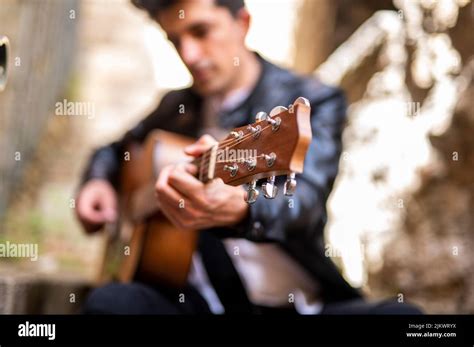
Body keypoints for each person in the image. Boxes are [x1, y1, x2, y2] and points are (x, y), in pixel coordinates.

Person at [76, 0, 421, 315]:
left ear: (243, 22)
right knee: (111, 303)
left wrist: (244, 209)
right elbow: (113, 148)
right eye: (175, 41)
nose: (190, 54)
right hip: (199, 304)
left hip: (295, 306)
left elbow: (306, 201)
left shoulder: (309, 101)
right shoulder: (178, 107)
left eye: (200, 31)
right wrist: (98, 181)